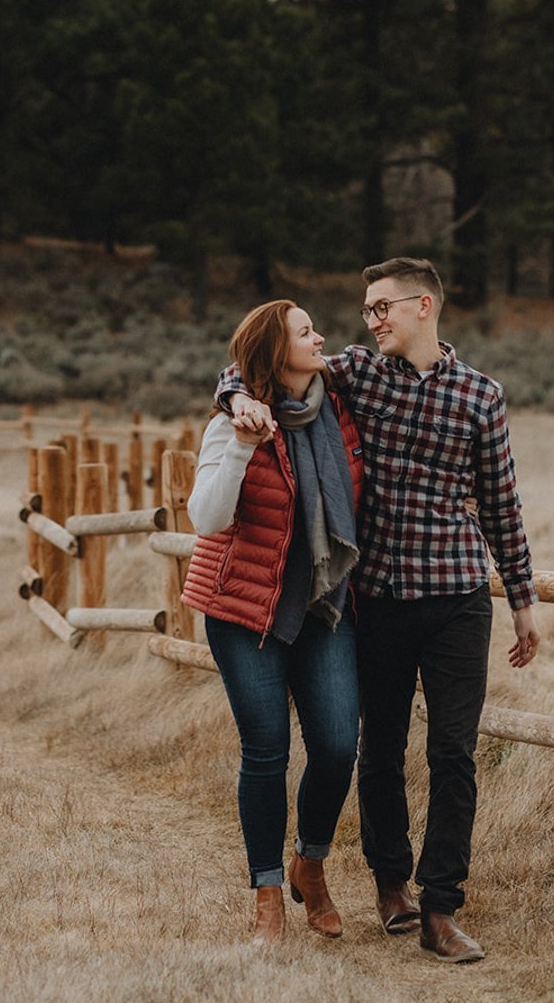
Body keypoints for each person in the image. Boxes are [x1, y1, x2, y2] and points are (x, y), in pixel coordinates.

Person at [221, 257, 539, 965]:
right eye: (366, 311)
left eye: (382, 307)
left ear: (423, 305)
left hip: (457, 596)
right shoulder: (359, 373)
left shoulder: (481, 395)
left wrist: (521, 597)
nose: (370, 320)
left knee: (454, 751)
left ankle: (441, 907)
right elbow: (261, 363)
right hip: (384, 596)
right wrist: (231, 397)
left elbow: (501, 503)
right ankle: (391, 884)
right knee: (380, 746)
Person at [182, 299, 364, 948]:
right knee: (267, 749)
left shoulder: (342, 406)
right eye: (306, 331)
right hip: (242, 609)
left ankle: (308, 864)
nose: (322, 337)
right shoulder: (235, 423)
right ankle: (267, 895)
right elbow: (206, 518)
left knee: (340, 743)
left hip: (324, 604)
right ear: (273, 349)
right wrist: (240, 440)